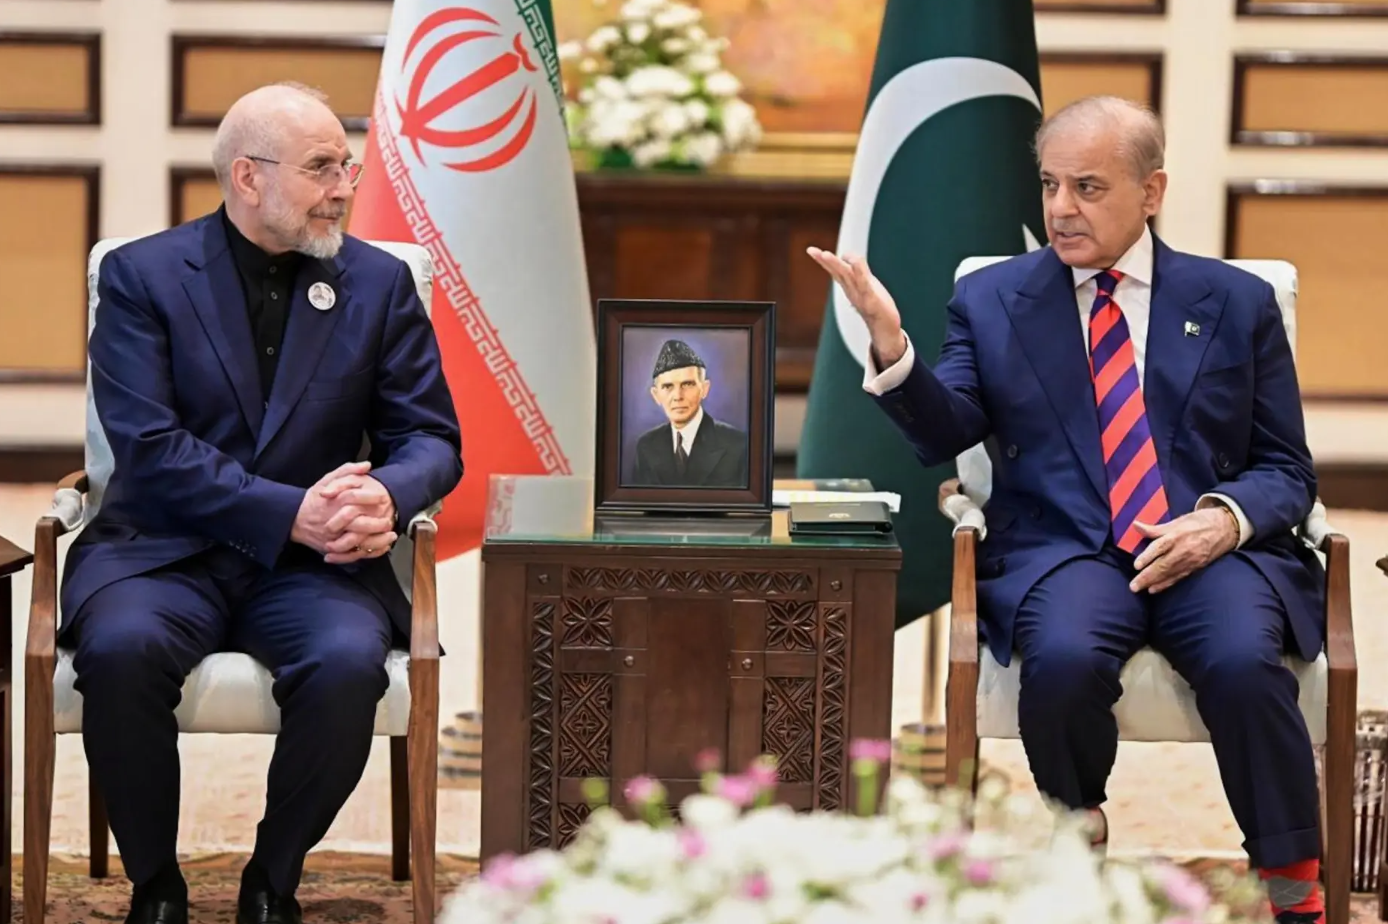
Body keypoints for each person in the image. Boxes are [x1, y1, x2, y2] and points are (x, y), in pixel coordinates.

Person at [808, 95, 1326, 923]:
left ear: (1151, 191)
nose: (1059, 209)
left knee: (1241, 662)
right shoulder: (994, 299)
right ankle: (1076, 836)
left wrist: (1223, 518)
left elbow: (1286, 467)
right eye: (1050, 184)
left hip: (1207, 546)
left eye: (1088, 186)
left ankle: (1292, 877)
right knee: (1064, 662)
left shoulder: (1235, 300)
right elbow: (952, 426)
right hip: (1065, 550)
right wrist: (891, 347)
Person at [60, 82, 463, 924]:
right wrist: (291, 511)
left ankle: (273, 880)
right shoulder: (142, 276)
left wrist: (383, 493)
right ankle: (157, 886)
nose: (344, 186)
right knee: (123, 650)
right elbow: (149, 450)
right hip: (164, 548)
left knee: (349, 663)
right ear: (248, 176)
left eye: (345, 165)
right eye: (322, 168)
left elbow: (432, 440)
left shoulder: (378, 283)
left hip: (316, 566)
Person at [630, 338, 748, 488]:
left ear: (704, 389)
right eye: (668, 387)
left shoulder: (737, 445)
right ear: (656, 395)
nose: (678, 396)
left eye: (687, 384)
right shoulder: (646, 446)